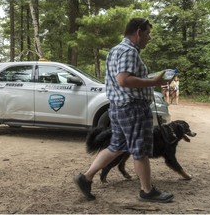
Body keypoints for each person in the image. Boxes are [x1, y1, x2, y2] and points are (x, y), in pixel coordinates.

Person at [73, 18, 174, 203]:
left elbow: (124, 78)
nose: (148, 38)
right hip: (132, 108)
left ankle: (85, 177)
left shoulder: (116, 50)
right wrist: (154, 82)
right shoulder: (129, 52)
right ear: (138, 32)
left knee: (117, 146)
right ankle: (147, 191)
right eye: (147, 34)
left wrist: (148, 78)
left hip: (119, 108)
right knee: (140, 149)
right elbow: (124, 80)